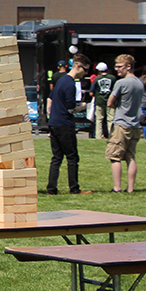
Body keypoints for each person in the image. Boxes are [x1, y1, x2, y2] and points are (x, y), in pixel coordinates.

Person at [46, 53, 92, 195]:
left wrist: (50, 116)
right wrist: (84, 106)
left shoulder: (60, 80)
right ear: (78, 66)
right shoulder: (70, 84)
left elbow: (50, 99)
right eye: (85, 70)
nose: (86, 74)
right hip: (65, 124)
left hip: (54, 122)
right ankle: (74, 188)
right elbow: (71, 108)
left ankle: (51, 189)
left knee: (56, 157)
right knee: (72, 157)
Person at [106, 54, 144, 193]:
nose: (117, 69)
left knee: (115, 156)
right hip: (135, 124)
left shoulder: (121, 83)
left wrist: (116, 103)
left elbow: (110, 102)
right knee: (131, 156)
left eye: (119, 67)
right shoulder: (139, 83)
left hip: (121, 123)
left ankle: (117, 188)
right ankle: (131, 188)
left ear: (128, 66)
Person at [91, 62, 116, 140]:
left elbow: (91, 92)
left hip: (99, 101)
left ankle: (98, 136)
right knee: (111, 119)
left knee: (99, 119)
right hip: (110, 101)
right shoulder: (112, 78)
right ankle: (111, 136)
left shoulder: (97, 79)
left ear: (99, 70)